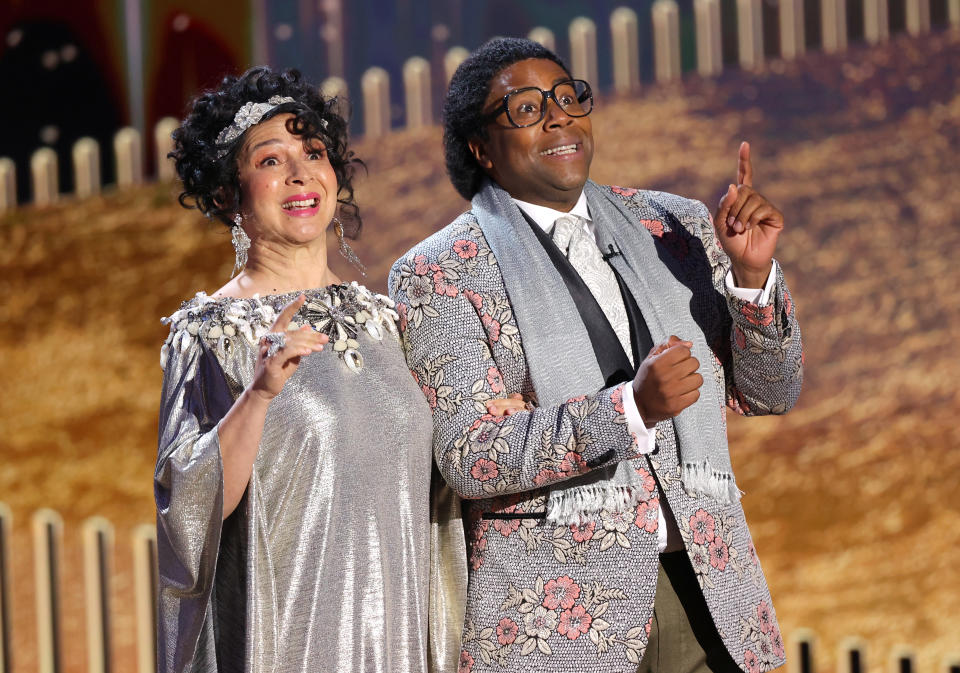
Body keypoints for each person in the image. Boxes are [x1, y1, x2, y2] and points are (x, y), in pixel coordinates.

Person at [390, 38, 803, 673]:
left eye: (567, 97)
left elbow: (770, 392)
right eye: (525, 108)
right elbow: (471, 456)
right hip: (560, 623)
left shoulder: (677, 227)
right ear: (480, 147)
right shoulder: (439, 270)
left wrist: (752, 280)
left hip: (710, 597)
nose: (558, 117)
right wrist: (629, 408)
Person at [155, 66, 522, 673]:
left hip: (400, 633)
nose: (300, 173)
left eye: (314, 153)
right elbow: (187, 510)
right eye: (270, 160)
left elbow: (408, 476)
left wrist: (480, 429)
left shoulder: (387, 322)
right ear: (227, 192)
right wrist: (260, 394)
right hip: (293, 643)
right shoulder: (208, 334)